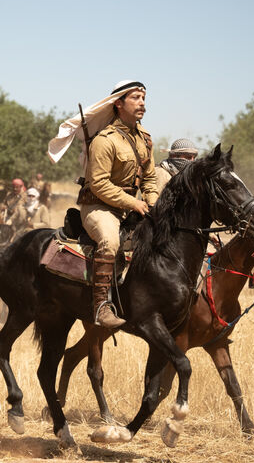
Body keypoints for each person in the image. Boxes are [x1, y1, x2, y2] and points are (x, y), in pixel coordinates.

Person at [78, 80, 158, 328]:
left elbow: (150, 178)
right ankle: (101, 306)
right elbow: (99, 183)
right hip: (99, 207)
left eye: (143, 98)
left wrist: (153, 205)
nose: (142, 103)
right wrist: (133, 203)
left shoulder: (145, 138)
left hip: (131, 207)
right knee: (110, 241)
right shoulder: (105, 139)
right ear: (119, 103)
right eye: (135, 98)